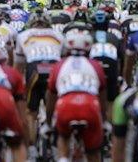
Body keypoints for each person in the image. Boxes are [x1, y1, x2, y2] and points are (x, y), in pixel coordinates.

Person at [45, 30, 107, 162]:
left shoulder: (58, 65)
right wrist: (104, 120)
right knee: (93, 152)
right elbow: (102, 97)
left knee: (63, 136)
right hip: (90, 105)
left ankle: (63, 158)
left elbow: (51, 98)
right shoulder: (95, 65)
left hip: (65, 105)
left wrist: (48, 122)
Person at [14, 10, 64, 160]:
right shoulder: (59, 36)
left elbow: (19, 68)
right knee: (55, 110)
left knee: (30, 113)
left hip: (34, 70)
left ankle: (31, 149)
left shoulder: (23, 36)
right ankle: (51, 129)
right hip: (54, 70)